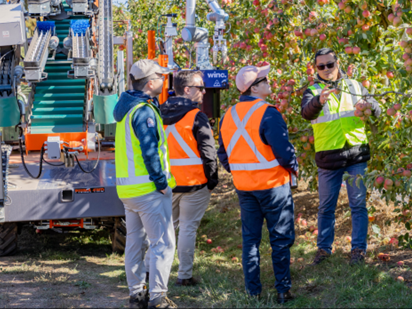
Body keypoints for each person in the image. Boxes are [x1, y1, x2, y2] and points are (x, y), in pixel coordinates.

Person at [217, 63, 298, 304]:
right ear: (254, 87)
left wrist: (240, 170)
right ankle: (283, 289)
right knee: (280, 238)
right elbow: (283, 151)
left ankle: (253, 291)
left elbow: (224, 154)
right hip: (273, 185)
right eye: (264, 79)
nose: (269, 81)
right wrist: (294, 166)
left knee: (250, 240)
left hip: (245, 187)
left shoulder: (228, 115)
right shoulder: (269, 113)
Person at [300, 48, 382, 266]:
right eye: (321, 66)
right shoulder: (313, 90)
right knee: (326, 207)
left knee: (358, 205)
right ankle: (324, 250)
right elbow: (306, 113)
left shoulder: (355, 86)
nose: (327, 70)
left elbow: (378, 109)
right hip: (329, 157)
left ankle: (358, 250)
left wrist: (369, 106)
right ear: (316, 68)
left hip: (356, 153)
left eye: (330, 64)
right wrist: (318, 101)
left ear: (338, 63)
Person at [113, 59, 177, 309]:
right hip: (148, 191)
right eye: (161, 77)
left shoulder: (127, 109)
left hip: (128, 191)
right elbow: (150, 152)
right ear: (151, 83)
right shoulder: (144, 112)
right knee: (163, 244)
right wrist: (161, 182)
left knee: (134, 243)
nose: (164, 81)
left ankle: (136, 294)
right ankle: (158, 298)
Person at [160, 70, 219, 287]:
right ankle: (184, 275)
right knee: (187, 229)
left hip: (166, 184)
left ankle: (150, 269)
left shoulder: (158, 113)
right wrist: (212, 180)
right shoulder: (196, 116)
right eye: (200, 87)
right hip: (194, 184)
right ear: (187, 90)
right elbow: (208, 151)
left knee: (164, 228)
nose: (204, 92)